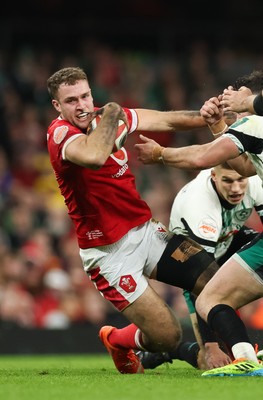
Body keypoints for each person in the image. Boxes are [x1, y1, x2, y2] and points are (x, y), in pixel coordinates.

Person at [46, 66, 225, 375]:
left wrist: (205, 115)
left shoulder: (111, 118)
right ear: (57, 106)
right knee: (168, 336)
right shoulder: (61, 134)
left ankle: (220, 351)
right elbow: (95, 156)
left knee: (213, 276)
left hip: (145, 233)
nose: (82, 106)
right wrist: (114, 112)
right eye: (71, 100)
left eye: (85, 96)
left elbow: (167, 119)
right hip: (108, 254)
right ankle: (117, 340)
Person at [135, 76, 263, 376]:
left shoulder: (254, 124)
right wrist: (220, 125)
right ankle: (246, 360)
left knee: (212, 298)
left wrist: (160, 154)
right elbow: (244, 165)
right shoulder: (199, 200)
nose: (229, 102)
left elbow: (204, 156)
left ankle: (237, 357)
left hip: (216, 250)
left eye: (236, 97)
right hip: (203, 252)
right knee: (210, 295)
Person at [139, 164, 263, 371]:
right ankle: (171, 350)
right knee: (210, 360)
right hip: (192, 260)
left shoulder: (254, 179)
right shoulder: (198, 207)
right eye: (228, 181)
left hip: (230, 239)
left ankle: (245, 354)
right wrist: (211, 345)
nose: (236, 189)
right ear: (214, 176)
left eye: (241, 180)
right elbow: (200, 281)